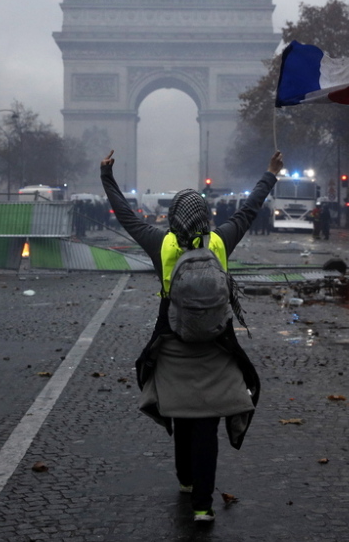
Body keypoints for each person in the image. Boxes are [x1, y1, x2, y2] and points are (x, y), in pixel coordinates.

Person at [101, 148, 283, 522]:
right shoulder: (219, 242)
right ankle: (203, 504)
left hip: (171, 345)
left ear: (172, 219)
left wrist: (107, 176)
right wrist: (270, 174)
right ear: (206, 217)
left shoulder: (160, 243)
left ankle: (185, 479)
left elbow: (125, 216)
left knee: (181, 412)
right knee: (206, 422)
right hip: (217, 344)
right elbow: (248, 211)